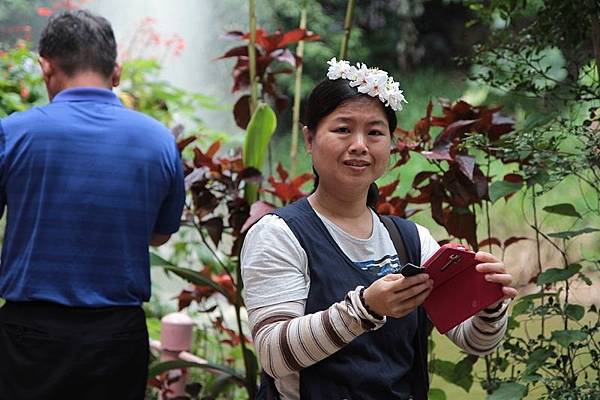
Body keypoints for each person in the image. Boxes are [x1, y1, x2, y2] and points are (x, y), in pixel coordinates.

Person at [241, 58, 518, 400]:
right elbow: (272, 354)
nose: (359, 145)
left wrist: (489, 300)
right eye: (343, 129)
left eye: (374, 132)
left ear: (389, 144)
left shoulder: (412, 240)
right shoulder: (278, 234)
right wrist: (364, 309)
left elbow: (475, 340)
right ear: (310, 139)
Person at [0, 10, 185, 400]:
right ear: (115, 72)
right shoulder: (159, 141)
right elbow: (160, 233)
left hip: (29, 337)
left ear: (45, 68)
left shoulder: (13, 133)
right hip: (117, 337)